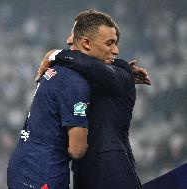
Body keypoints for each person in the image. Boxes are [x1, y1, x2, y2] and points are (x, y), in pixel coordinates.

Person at [38, 10, 144, 189]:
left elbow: (92, 67)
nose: (116, 50)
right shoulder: (78, 74)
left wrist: (55, 54)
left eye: (114, 43)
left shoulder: (121, 70)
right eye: (110, 43)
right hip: (83, 173)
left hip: (112, 172)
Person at [7, 36, 92, 188]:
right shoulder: (75, 82)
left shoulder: (56, 68)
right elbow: (77, 150)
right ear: (87, 44)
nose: (114, 50)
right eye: (109, 43)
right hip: (43, 171)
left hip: (26, 163)